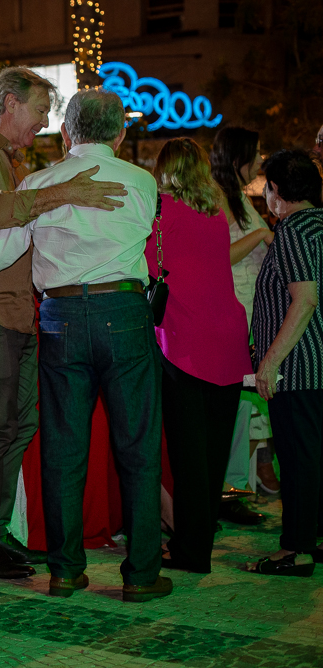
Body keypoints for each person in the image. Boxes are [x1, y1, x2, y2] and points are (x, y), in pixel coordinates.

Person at [0, 88, 170, 602]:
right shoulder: (141, 180)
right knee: (137, 445)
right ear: (121, 134)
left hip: (60, 316)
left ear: (67, 133)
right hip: (124, 311)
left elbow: (1, 250)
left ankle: (66, 571)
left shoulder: (39, 183)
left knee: (64, 447)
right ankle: (141, 574)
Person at [143, 138, 250, 573]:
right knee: (213, 453)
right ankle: (199, 541)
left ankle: (191, 551)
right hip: (228, 338)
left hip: (185, 342)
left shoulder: (160, 212)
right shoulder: (215, 211)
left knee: (188, 455)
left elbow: (147, 269)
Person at [248, 150, 323, 577]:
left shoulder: (293, 229)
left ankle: (296, 548)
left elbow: (305, 299)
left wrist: (269, 361)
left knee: (298, 460)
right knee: (314, 457)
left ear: (276, 190)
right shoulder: (320, 224)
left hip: (298, 366)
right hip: (318, 364)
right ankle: (313, 537)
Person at [211, 127, 279, 506]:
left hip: (250, 311)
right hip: (234, 310)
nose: (260, 159)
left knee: (248, 400)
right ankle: (232, 486)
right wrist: (261, 237)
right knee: (239, 400)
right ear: (238, 157)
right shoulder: (218, 197)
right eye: (256, 153)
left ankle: (241, 482)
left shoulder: (237, 195)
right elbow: (217, 256)